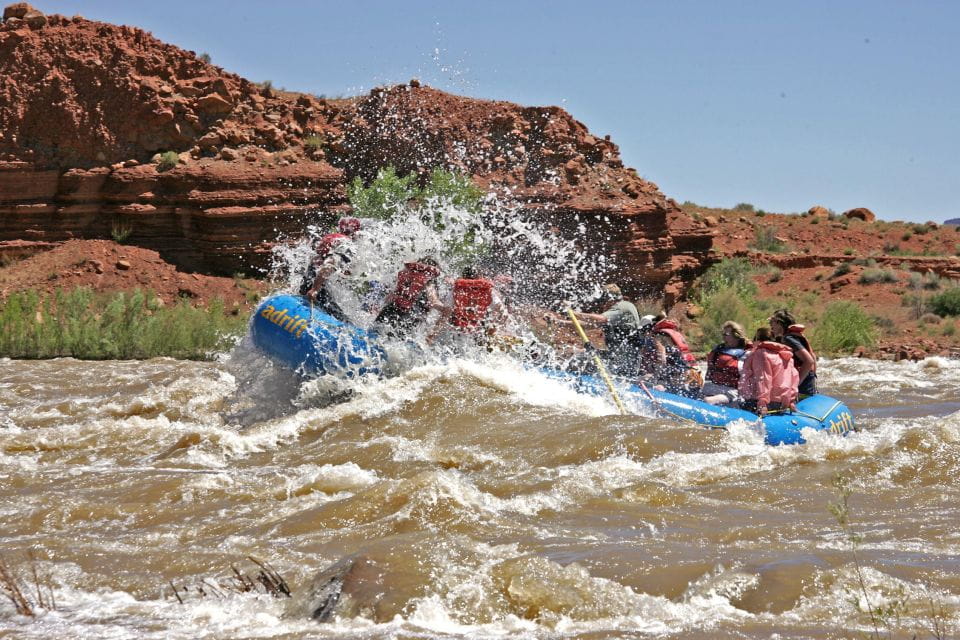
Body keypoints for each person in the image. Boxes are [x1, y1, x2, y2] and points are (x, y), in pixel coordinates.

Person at [559, 284, 642, 376]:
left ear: (610, 300)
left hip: (624, 363)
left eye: (603, 301)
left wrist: (574, 313)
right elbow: (587, 325)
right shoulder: (616, 312)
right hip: (615, 358)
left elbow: (600, 319)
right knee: (576, 358)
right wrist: (559, 322)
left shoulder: (623, 306)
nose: (602, 305)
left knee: (578, 362)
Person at [299, 217, 362, 321]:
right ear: (356, 232)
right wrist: (315, 289)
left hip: (308, 281)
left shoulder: (330, 237)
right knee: (343, 321)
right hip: (318, 286)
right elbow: (330, 263)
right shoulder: (346, 243)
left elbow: (316, 260)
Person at [374, 257, 445, 337]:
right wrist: (431, 337)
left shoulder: (406, 275)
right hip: (408, 320)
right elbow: (436, 302)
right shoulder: (429, 283)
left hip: (388, 311)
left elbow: (391, 296)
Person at [738, 327, 799, 416]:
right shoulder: (786, 356)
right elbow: (794, 379)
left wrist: (762, 403)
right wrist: (791, 401)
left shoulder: (761, 353)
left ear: (757, 340)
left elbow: (763, 379)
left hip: (763, 403)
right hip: (781, 404)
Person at [638, 314, 700, 397]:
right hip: (694, 374)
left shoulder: (657, 337)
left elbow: (662, 360)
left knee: (649, 383)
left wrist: (655, 378)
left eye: (643, 331)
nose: (644, 334)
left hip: (680, 376)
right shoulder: (673, 333)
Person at [769, 308, 818, 397]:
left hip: (803, 385)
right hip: (808, 381)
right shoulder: (792, 336)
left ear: (779, 323)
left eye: (772, 323)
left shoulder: (788, 339)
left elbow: (809, 361)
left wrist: (796, 384)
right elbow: (813, 357)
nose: (771, 328)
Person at [702, 321, 749, 405]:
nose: (723, 337)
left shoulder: (745, 354)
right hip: (711, 387)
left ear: (736, 336)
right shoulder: (718, 349)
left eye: (726, 335)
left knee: (707, 401)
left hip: (730, 392)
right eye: (723, 334)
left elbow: (745, 378)